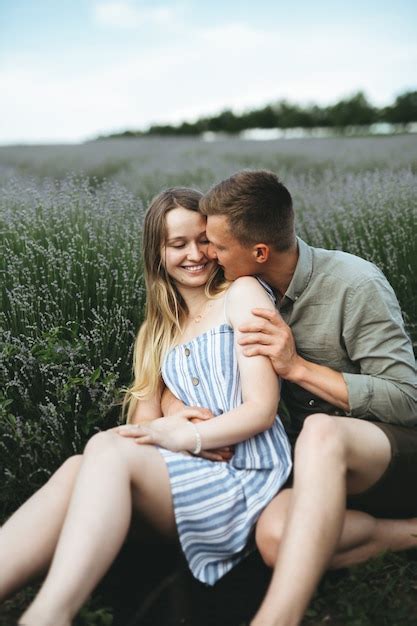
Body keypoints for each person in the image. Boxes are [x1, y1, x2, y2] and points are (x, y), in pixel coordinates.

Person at [0, 187, 292, 626]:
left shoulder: (241, 294)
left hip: (247, 476)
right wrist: (173, 417)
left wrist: (189, 435)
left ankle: (47, 616)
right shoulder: (157, 331)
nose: (195, 254)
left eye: (203, 239)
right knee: (81, 466)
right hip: (191, 472)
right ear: (158, 254)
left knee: (106, 448)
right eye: (177, 245)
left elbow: (261, 410)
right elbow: (143, 424)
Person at [196, 169, 417, 626]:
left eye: (217, 246)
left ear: (259, 252)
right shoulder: (241, 292)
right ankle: (407, 534)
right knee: (276, 540)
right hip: (315, 471)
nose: (209, 256)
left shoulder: (355, 284)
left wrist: (297, 367)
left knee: (320, 430)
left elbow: (408, 400)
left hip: (391, 457)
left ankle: (278, 617)